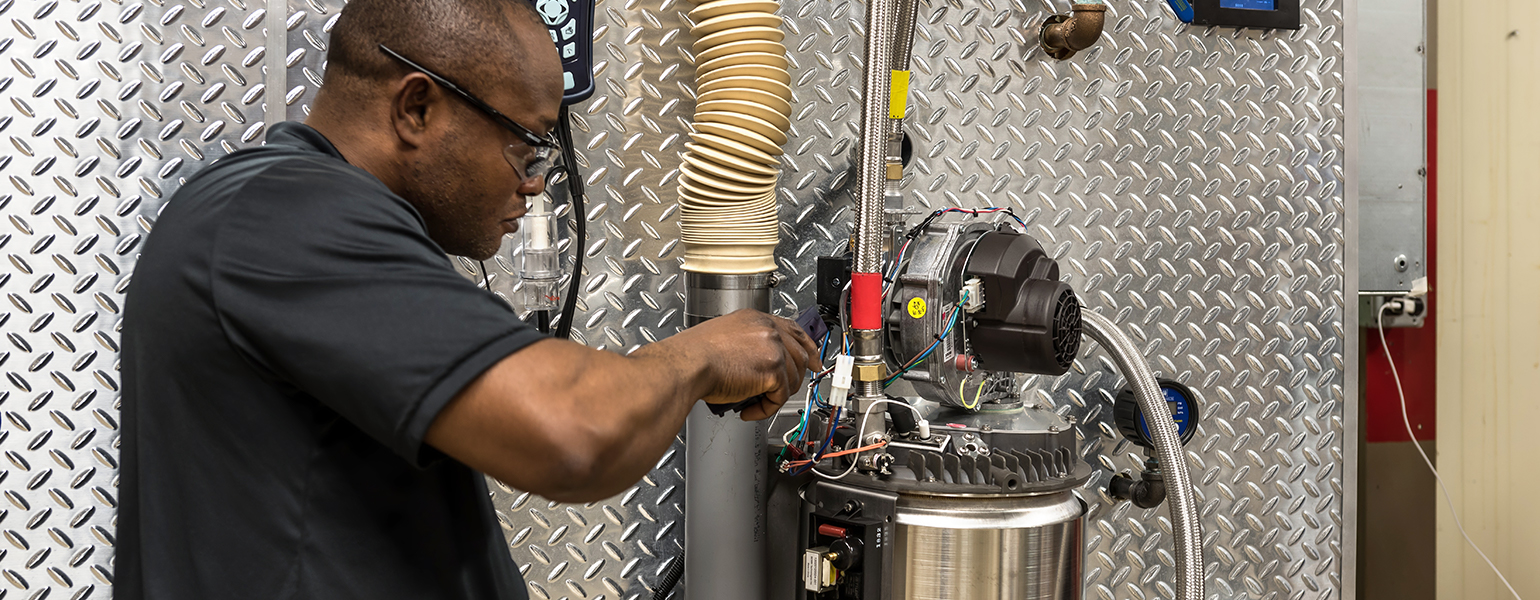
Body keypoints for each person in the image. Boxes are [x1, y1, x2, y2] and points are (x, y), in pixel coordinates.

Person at [112, 0, 816, 597]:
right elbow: (573, 434)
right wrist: (700, 354)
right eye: (526, 146)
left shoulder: (308, 217)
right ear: (417, 107)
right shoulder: (285, 215)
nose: (536, 181)